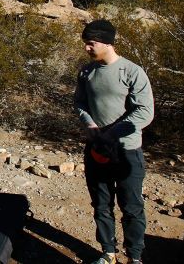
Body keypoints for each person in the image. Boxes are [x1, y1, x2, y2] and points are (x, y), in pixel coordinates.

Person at [74, 19, 154, 264]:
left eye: (91, 43)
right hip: (97, 149)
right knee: (101, 204)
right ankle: (108, 252)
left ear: (107, 43)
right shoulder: (86, 71)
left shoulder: (132, 71)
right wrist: (90, 124)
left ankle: (135, 257)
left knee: (131, 208)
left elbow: (145, 112)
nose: (87, 48)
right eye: (86, 44)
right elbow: (80, 102)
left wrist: (112, 133)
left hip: (126, 150)